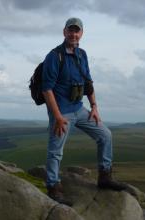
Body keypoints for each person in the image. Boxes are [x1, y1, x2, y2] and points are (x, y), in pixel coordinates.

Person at [42, 17, 126, 205]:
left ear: (81, 33)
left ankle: (104, 178)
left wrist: (94, 107)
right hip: (61, 111)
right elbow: (46, 89)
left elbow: (88, 83)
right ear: (64, 32)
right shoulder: (55, 56)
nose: (73, 34)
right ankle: (53, 187)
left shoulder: (82, 54)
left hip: (79, 109)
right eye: (70, 30)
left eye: (77, 31)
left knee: (105, 135)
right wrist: (57, 117)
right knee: (55, 151)